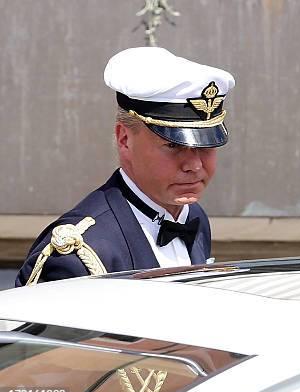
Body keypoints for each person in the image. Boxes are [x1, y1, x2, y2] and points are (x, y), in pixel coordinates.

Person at [16, 47, 235, 286]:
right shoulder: (79, 253)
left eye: (205, 146)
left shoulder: (192, 216)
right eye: (174, 146)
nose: (194, 165)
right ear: (124, 139)